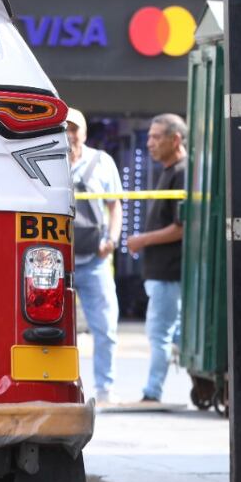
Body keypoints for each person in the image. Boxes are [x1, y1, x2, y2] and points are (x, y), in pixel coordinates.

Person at [127, 114, 187, 403]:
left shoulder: (182, 172)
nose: (149, 143)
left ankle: (152, 392)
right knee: (174, 333)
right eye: (149, 136)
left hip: (169, 272)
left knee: (160, 333)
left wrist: (142, 240)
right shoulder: (169, 171)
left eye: (156, 137)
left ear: (175, 140)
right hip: (160, 272)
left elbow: (181, 227)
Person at [65, 108, 123, 404]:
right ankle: (61, 387)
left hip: (95, 261)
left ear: (84, 133)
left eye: (74, 129)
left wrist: (111, 239)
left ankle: (104, 389)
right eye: (65, 128)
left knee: (105, 328)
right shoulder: (47, 158)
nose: (69, 135)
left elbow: (115, 206)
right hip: (57, 263)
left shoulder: (102, 162)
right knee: (51, 331)